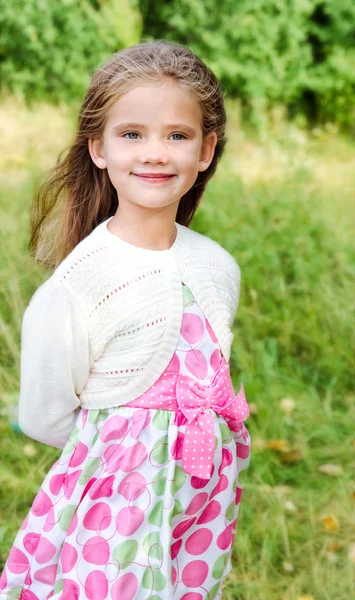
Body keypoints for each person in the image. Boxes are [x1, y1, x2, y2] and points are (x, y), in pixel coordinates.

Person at [0, 40, 251, 600]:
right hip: (114, 509)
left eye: (177, 135)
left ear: (206, 150)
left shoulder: (216, 267)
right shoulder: (79, 285)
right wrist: (130, 448)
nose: (155, 153)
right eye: (132, 134)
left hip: (198, 496)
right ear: (99, 148)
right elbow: (44, 417)